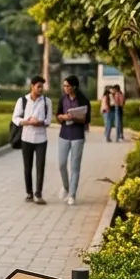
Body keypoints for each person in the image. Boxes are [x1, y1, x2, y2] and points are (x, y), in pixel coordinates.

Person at [12, 76, 52, 204]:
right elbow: (15, 118)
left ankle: (38, 194)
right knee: (27, 167)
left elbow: (48, 121)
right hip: (26, 138)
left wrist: (39, 122)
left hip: (41, 138)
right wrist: (26, 122)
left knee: (40, 167)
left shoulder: (46, 101)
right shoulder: (22, 100)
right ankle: (29, 193)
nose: (40, 89)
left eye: (42, 87)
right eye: (38, 86)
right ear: (32, 86)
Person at [56, 75, 90, 205]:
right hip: (64, 134)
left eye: (68, 86)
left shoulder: (83, 101)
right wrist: (63, 117)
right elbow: (57, 115)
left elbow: (87, 119)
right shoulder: (62, 99)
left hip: (77, 136)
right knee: (61, 164)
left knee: (75, 167)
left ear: (74, 86)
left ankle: (72, 194)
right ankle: (65, 187)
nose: (65, 88)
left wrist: (74, 118)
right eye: (64, 86)